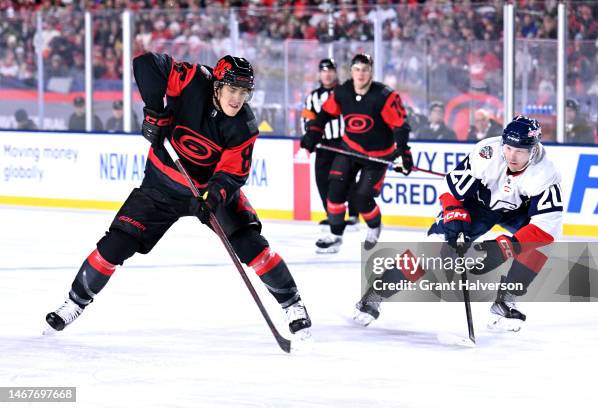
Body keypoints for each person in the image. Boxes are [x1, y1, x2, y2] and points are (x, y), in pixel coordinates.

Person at [44, 53, 312, 339]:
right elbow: (144, 63)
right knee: (116, 244)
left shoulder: (243, 125)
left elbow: (233, 173)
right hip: (162, 185)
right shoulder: (193, 80)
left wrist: (213, 197)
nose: (237, 99)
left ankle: (292, 303)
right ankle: (74, 303)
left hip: (208, 191)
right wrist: (154, 111)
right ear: (217, 86)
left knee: (250, 243)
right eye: (232, 90)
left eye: (244, 93)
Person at [354, 116, 562, 332]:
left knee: (540, 245)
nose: (512, 155)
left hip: (517, 210)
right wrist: (454, 214)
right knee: (432, 249)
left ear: (533, 148)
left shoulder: (545, 173)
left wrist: (506, 247)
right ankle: (377, 292)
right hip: (477, 205)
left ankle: (506, 300)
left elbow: (547, 226)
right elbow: (451, 190)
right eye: (508, 148)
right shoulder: (487, 153)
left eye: (520, 150)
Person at [301, 53, 413, 253]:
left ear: (371, 72)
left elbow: (400, 126)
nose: (361, 74)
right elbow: (324, 115)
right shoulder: (343, 92)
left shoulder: (384, 96)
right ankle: (335, 236)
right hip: (350, 148)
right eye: (357, 69)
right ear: (351, 71)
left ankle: (374, 225)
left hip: (377, 155)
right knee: (334, 190)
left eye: (365, 69)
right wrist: (310, 140)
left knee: (362, 199)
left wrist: (402, 152)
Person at [301, 58, 359, 230]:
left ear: (335, 73)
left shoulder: (345, 93)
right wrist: (310, 134)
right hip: (323, 145)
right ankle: (333, 216)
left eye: (330, 71)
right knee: (322, 180)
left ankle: (354, 216)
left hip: (344, 143)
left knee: (346, 178)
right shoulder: (313, 97)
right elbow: (306, 119)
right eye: (324, 71)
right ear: (319, 74)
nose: (327, 74)